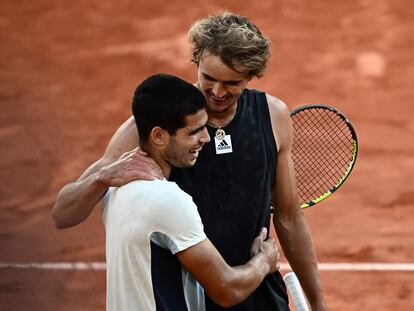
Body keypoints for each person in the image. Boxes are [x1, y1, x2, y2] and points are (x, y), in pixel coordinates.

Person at [52, 12, 328, 311]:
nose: (218, 92)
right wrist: (102, 176)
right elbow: (63, 214)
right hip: (186, 297)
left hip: (256, 289)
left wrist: (318, 304)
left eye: (231, 82)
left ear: (251, 76)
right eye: (208, 78)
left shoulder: (273, 117)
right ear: (196, 62)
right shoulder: (152, 127)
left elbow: (288, 216)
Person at [102, 73, 279, 310]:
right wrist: (263, 262)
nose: (205, 138)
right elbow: (227, 289)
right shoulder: (169, 201)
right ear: (158, 136)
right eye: (194, 131)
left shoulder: (113, 189)